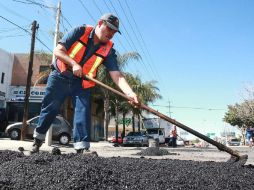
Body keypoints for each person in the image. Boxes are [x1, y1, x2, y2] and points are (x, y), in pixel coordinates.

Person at [31, 13, 139, 154]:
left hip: (81, 83)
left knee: (82, 110)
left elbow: (117, 75)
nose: (111, 33)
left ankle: (82, 148)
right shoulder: (80, 31)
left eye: (114, 31)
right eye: (109, 28)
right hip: (60, 75)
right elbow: (58, 51)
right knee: (51, 107)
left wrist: (130, 93)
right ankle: (37, 141)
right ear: (100, 23)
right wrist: (73, 63)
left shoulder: (109, 51)